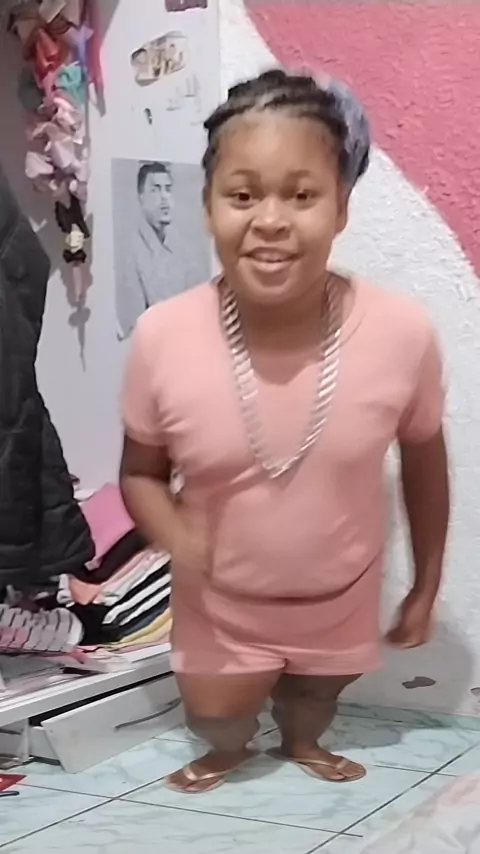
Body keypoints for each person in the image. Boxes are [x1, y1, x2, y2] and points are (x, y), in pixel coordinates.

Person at [119, 70, 450, 794]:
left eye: (301, 196)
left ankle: (304, 740)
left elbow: (425, 459)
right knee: (218, 717)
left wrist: (425, 587)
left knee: (316, 698)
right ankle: (229, 748)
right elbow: (140, 471)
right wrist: (175, 536)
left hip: (341, 588)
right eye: (242, 196)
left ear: (342, 208)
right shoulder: (162, 336)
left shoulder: (401, 333)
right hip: (218, 599)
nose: (270, 220)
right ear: (209, 205)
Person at [117, 162, 176, 339]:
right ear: (141, 197)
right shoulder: (130, 252)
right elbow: (130, 330)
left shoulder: (179, 250)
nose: (164, 198)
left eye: (168, 189)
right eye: (155, 190)